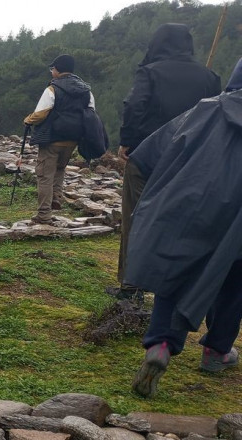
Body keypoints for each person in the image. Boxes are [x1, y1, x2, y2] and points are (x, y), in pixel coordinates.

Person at [127, 58, 242, 398]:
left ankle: (161, 345)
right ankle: (217, 351)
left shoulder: (207, 109)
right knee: (235, 283)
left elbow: (148, 155)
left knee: (173, 272)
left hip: (192, 206)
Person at [111, 23, 221, 300]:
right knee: (176, 220)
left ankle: (130, 285)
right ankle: (170, 285)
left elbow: (135, 105)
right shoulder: (209, 77)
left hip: (148, 156)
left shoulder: (150, 72)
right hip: (187, 161)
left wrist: (127, 141)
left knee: (135, 216)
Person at [23, 54, 95, 224]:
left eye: (52, 68)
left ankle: (43, 214)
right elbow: (91, 113)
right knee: (60, 169)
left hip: (52, 139)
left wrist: (28, 120)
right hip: (73, 139)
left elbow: (41, 113)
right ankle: (56, 197)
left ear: (58, 70)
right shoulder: (86, 91)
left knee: (44, 175)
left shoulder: (53, 89)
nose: (51, 71)